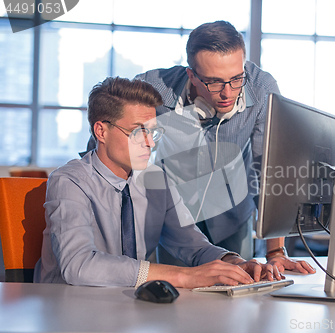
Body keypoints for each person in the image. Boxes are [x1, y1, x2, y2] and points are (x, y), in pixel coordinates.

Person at [34, 77, 283, 288]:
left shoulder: (156, 180)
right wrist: (183, 276)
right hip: (69, 309)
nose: (150, 143)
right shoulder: (69, 181)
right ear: (101, 131)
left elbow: (193, 245)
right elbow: (78, 266)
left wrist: (235, 263)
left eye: (152, 131)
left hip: (128, 308)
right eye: (137, 131)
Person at [135, 20, 315, 274]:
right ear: (192, 76)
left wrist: (275, 251)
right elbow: (116, 147)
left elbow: (271, 168)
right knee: (176, 300)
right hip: (175, 219)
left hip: (233, 214)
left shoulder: (261, 90)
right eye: (214, 82)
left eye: (236, 78)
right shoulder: (154, 88)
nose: (228, 93)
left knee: (238, 294)